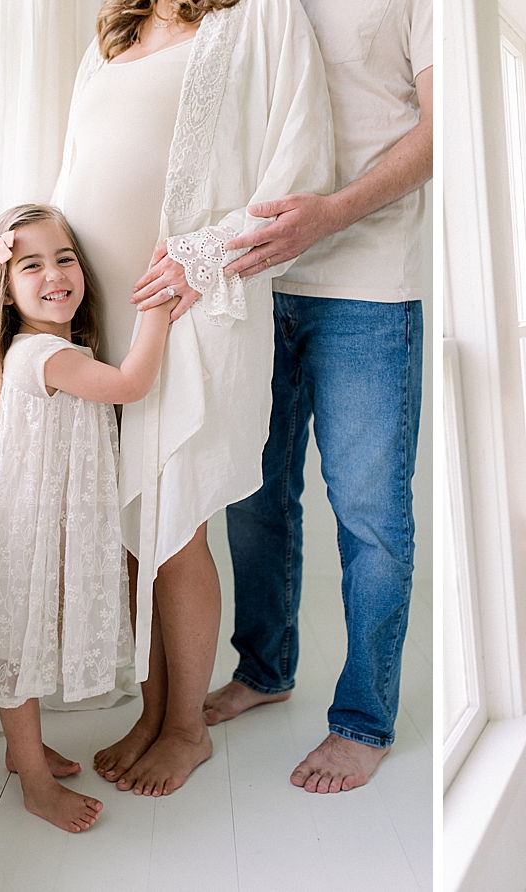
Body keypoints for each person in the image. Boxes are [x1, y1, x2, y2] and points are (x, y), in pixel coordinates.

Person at [51, 0, 333, 797]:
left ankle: (185, 729)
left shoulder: (262, 18)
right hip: (98, 315)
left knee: (176, 525)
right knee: (132, 525)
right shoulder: (112, 34)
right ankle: (151, 710)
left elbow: (299, 172)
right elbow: (77, 165)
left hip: (191, 307)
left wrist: (202, 258)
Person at [201, 0, 433, 793]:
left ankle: (364, 719)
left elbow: (442, 133)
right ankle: (265, 669)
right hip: (255, 279)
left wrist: (329, 215)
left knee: (371, 516)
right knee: (255, 493)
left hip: (368, 287)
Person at [0, 204, 177, 830]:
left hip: (35, 520)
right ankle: (31, 780)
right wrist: (157, 307)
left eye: (65, 258)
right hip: (29, 527)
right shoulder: (46, 356)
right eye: (31, 265)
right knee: (19, 647)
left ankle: (22, 751)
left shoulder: (52, 346)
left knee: (23, 637)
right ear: (6, 292)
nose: (55, 274)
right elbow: (134, 384)